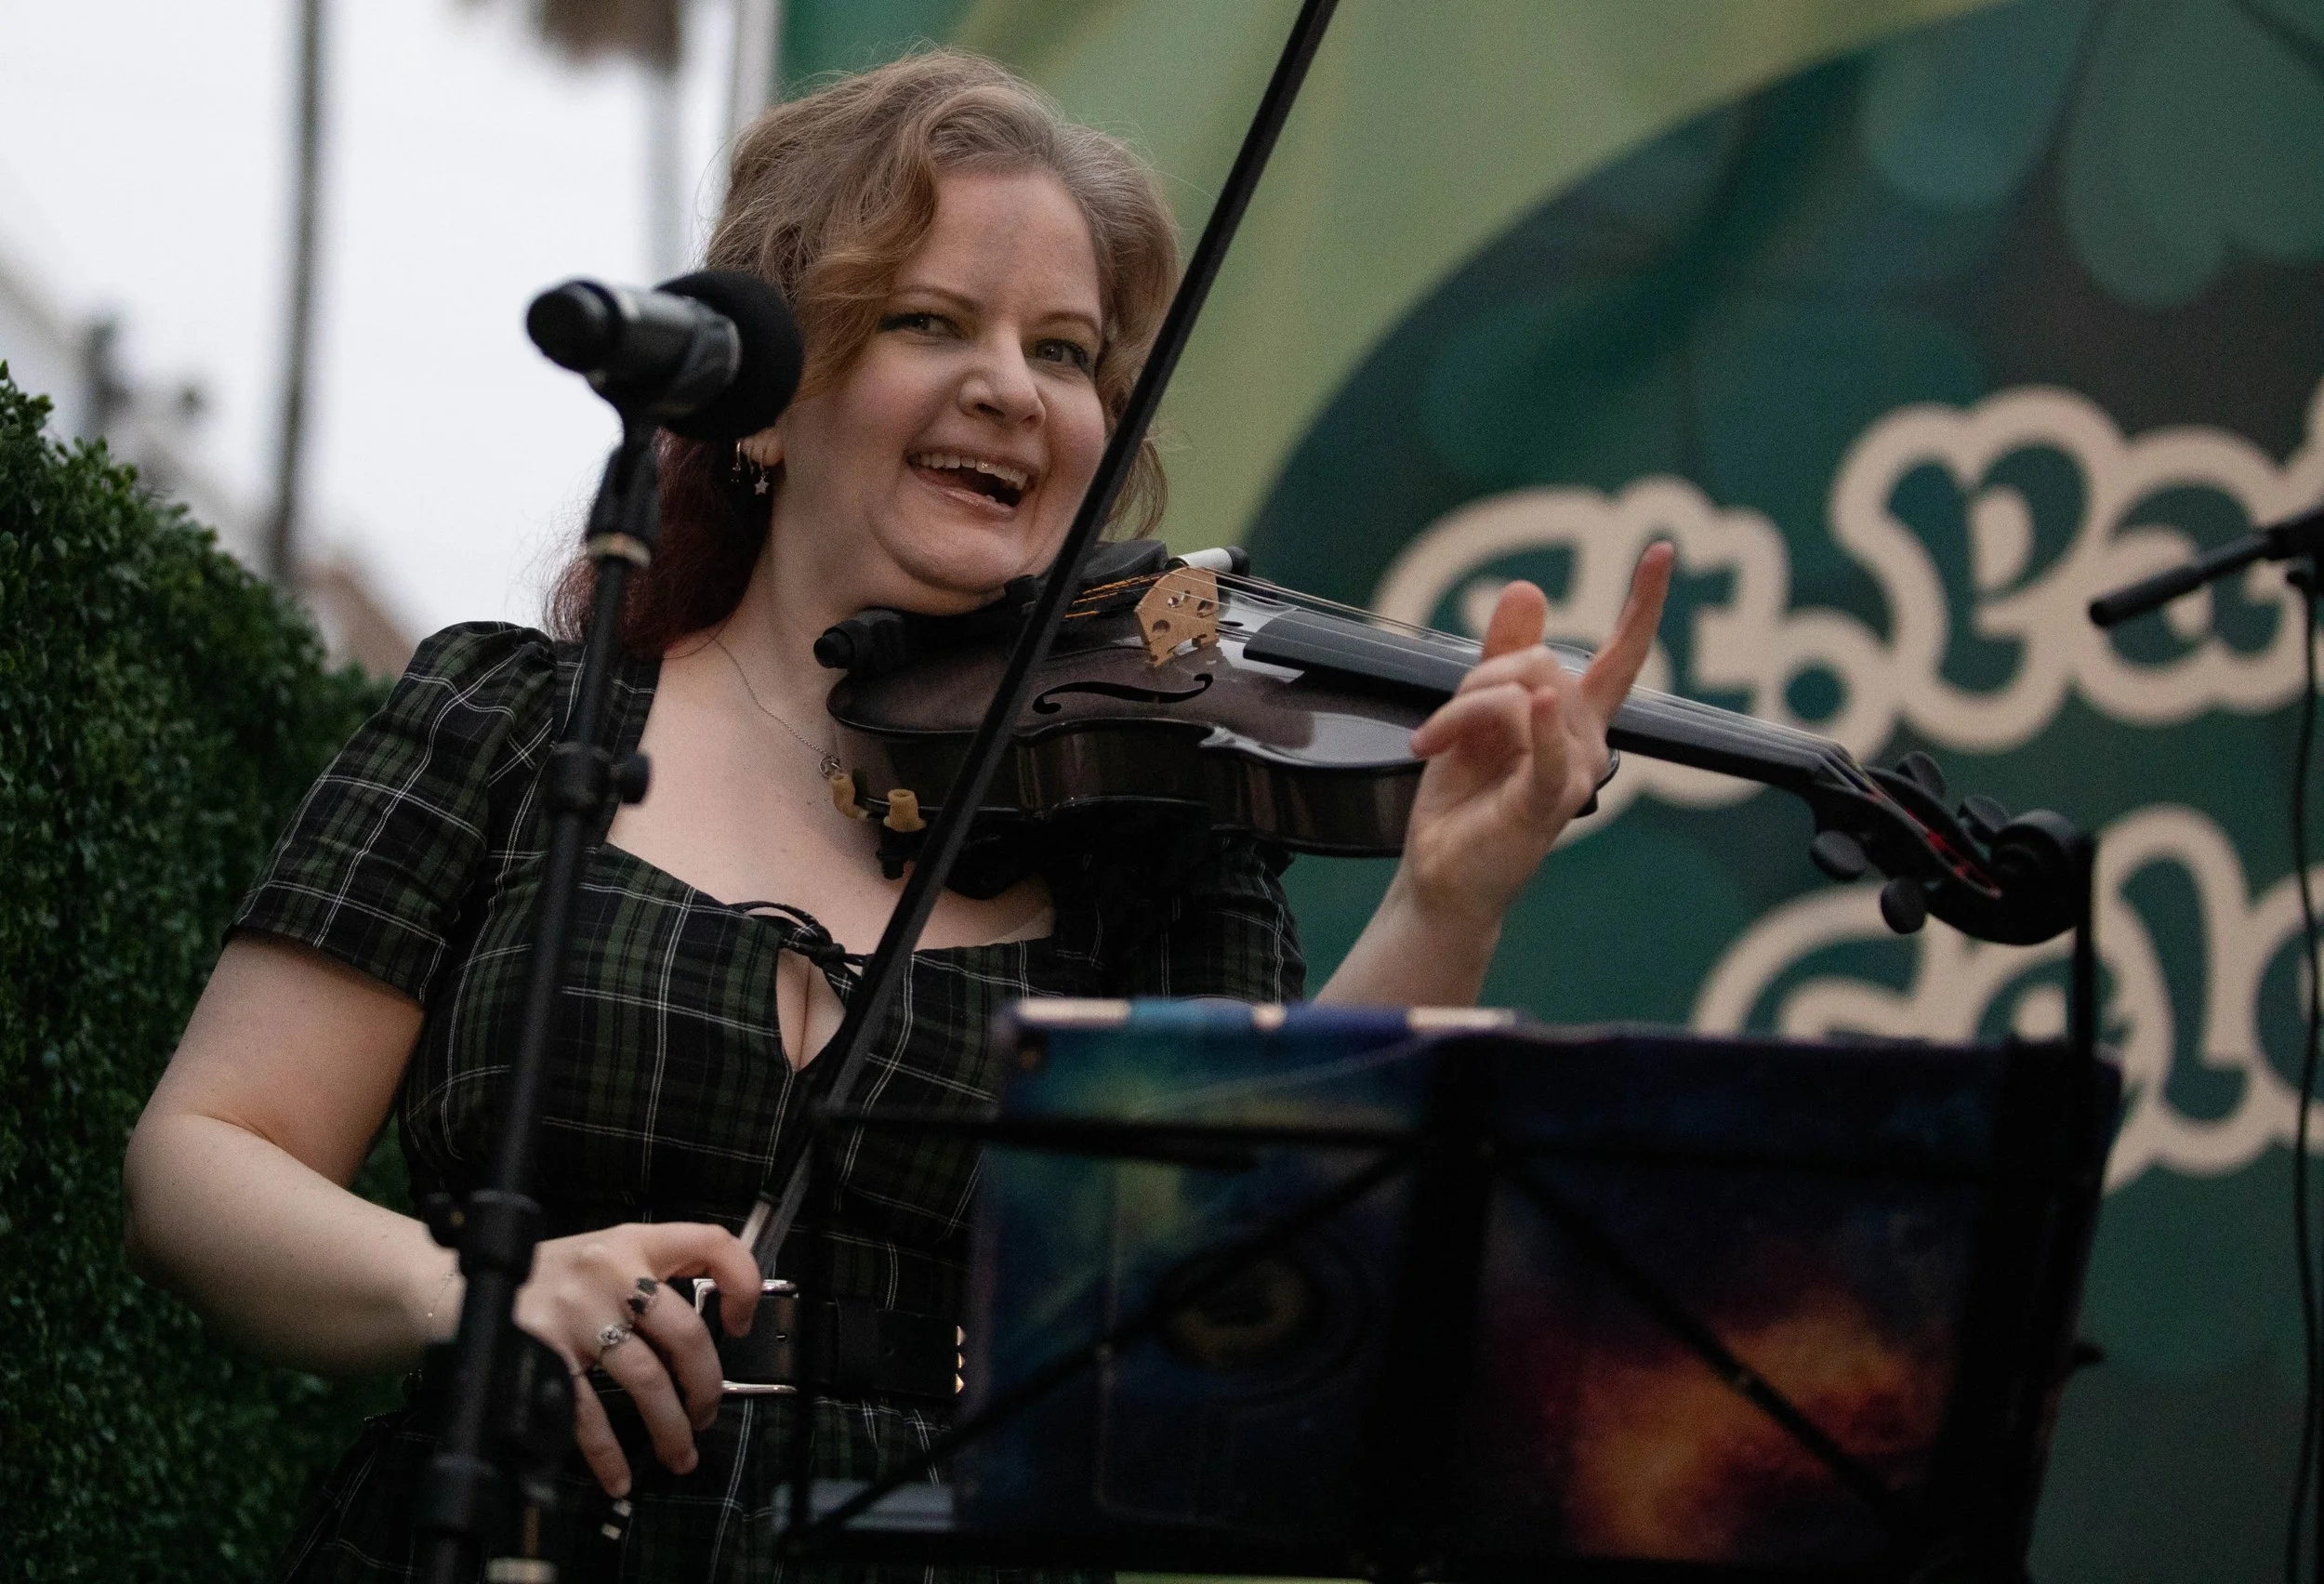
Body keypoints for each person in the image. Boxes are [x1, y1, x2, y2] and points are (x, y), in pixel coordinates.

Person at [124, 49, 1673, 1582]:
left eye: (1067, 354)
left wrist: (1449, 899)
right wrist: (469, 1291)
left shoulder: (1147, 835)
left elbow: (1259, 1286)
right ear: (763, 403)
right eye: (932, 323)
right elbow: (206, 1158)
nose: (1011, 387)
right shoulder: (518, 720)